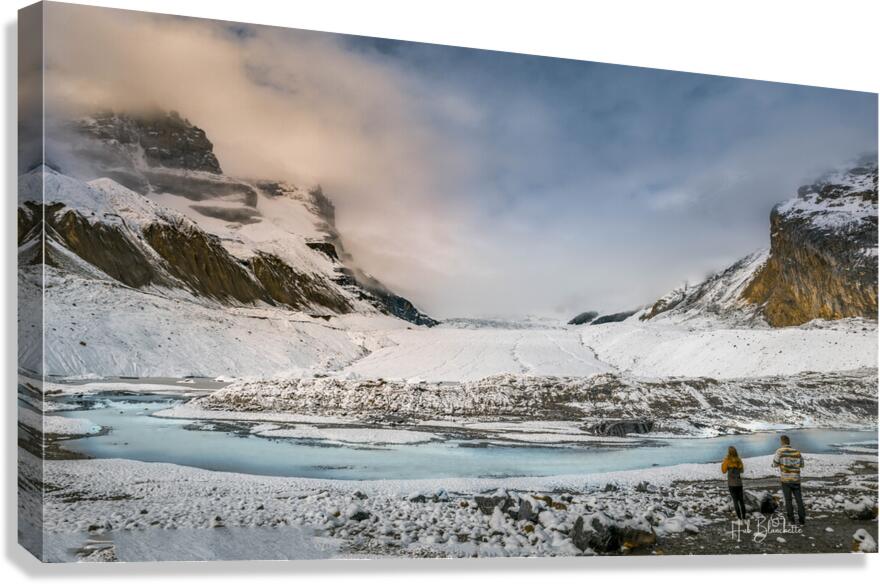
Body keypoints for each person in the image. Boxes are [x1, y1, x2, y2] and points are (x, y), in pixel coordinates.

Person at [772, 435, 805, 525]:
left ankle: (791, 520)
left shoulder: (779, 451)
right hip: (796, 479)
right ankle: (802, 520)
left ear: (782, 442)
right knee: (799, 500)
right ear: (789, 442)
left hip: (786, 480)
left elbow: (774, 464)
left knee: (788, 500)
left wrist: (783, 464)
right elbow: (802, 465)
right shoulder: (797, 452)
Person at [722, 446, 746, 520]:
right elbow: (742, 471)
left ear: (728, 452)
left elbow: (723, 471)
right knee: (741, 501)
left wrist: (724, 463)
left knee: (735, 501)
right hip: (739, 483)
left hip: (731, 484)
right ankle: (744, 517)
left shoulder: (727, 460)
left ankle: (739, 518)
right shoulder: (739, 460)